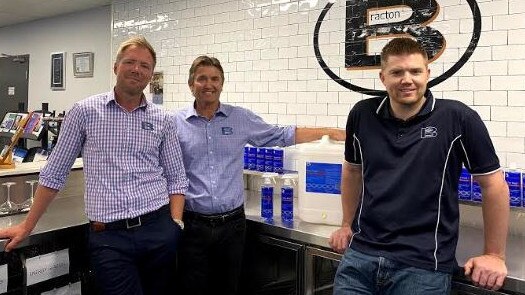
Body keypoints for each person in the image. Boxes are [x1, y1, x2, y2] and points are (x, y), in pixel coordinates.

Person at [0, 36, 188, 295]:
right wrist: (26, 226)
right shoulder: (84, 111)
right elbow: (54, 173)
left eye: (145, 65)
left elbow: (176, 177)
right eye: (130, 62)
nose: (137, 69)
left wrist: (175, 225)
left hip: (158, 230)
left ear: (151, 73)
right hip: (109, 237)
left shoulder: (163, 119)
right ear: (115, 67)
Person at [328, 37, 509, 294]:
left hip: (423, 267)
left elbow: (494, 185)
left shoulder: (458, 118)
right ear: (383, 77)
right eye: (396, 72)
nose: (407, 79)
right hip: (360, 258)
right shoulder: (362, 114)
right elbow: (352, 170)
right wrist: (347, 224)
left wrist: (494, 254)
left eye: (415, 71)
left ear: (428, 74)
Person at [175, 55, 346, 295]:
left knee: (229, 288)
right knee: (191, 289)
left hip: (231, 226)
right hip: (192, 224)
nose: (208, 84)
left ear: (222, 84)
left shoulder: (240, 118)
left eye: (215, 78)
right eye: (202, 78)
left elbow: (281, 135)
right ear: (191, 84)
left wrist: (329, 132)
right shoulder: (174, 123)